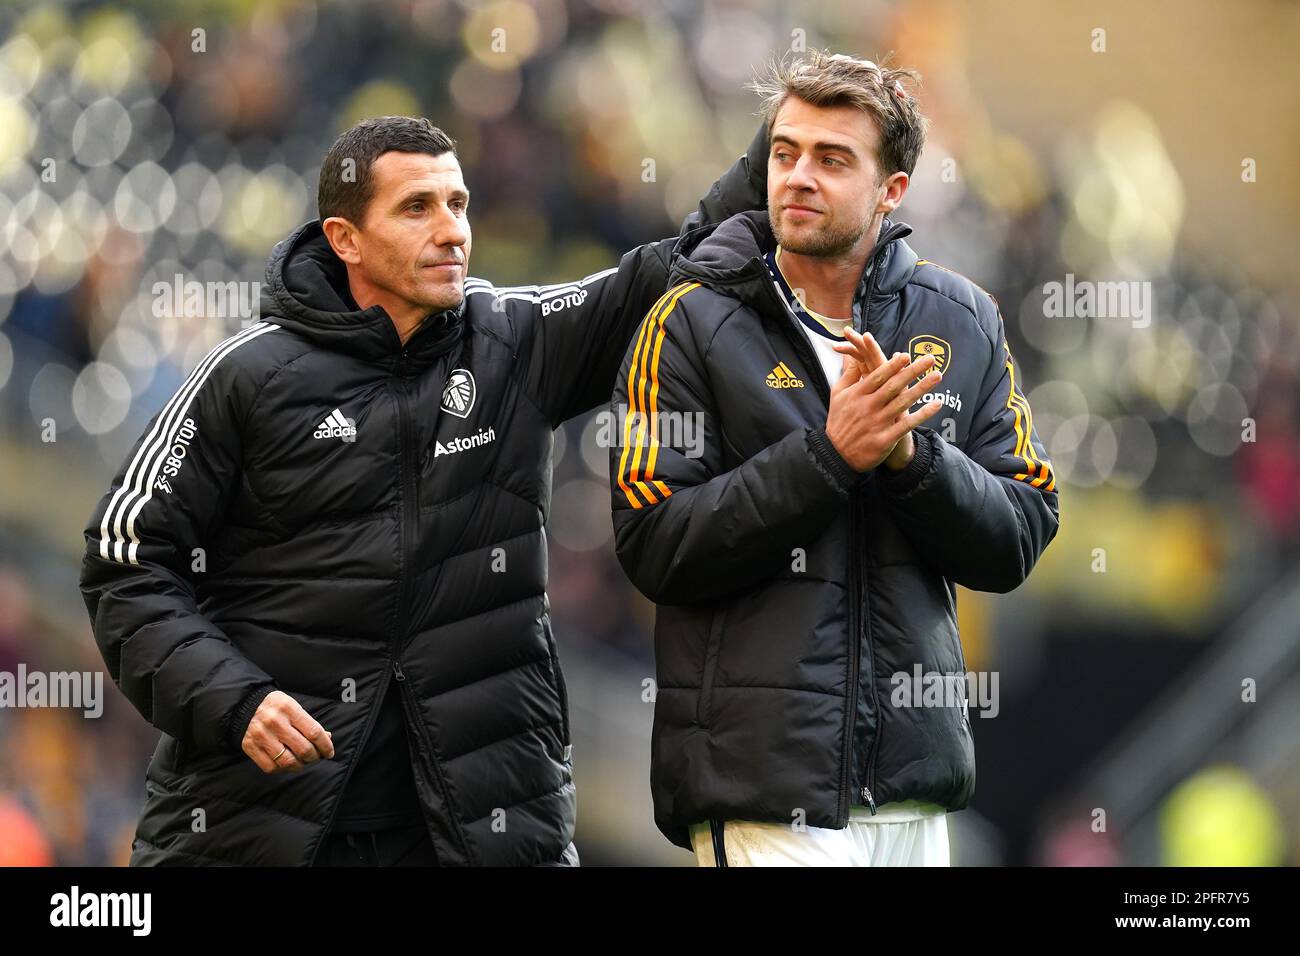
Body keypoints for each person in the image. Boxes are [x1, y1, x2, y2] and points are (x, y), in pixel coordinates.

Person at [80, 114, 766, 866]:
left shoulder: (513, 341)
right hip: (260, 824)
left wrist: (783, 143)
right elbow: (126, 565)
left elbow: (672, 267)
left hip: (482, 830)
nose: (451, 230)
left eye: (457, 203)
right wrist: (232, 700)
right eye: (417, 207)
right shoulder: (246, 376)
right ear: (345, 239)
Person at [609, 52, 1060, 866]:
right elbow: (654, 540)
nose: (798, 177)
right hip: (765, 792)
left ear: (892, 189)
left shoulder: (962, 318)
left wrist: (912, 462)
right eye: (785, 153)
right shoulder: (687, 321)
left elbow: (1021, 530)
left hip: (915, 792)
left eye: (832, 159)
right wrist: (827, 456)